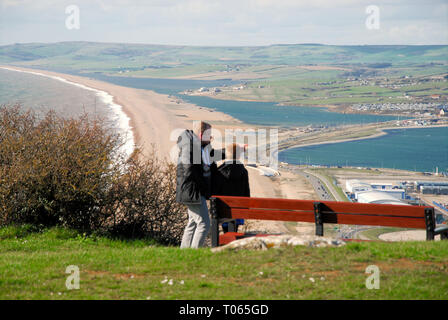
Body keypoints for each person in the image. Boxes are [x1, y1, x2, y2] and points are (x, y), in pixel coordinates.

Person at [176, 121, 223, 248]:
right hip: (192, 190)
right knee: (204, 223)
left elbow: (212, 156)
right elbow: (189, 170)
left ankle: (185, 254)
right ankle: (194, 253)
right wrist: (203, 186)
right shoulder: (190, 146)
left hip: (193, 190)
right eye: (209, 135)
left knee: (193, 222)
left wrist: (233, 151)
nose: (211, 138)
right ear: (202, 135)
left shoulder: (201, 146)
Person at [213, 143, 250, 233]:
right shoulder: (243, 171)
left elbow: (216, 192)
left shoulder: (219, 171)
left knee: (227, 231)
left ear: (226, 154)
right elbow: (246, 193)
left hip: (223, 211)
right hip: (237, 211)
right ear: (238, 156)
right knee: (234, 231)